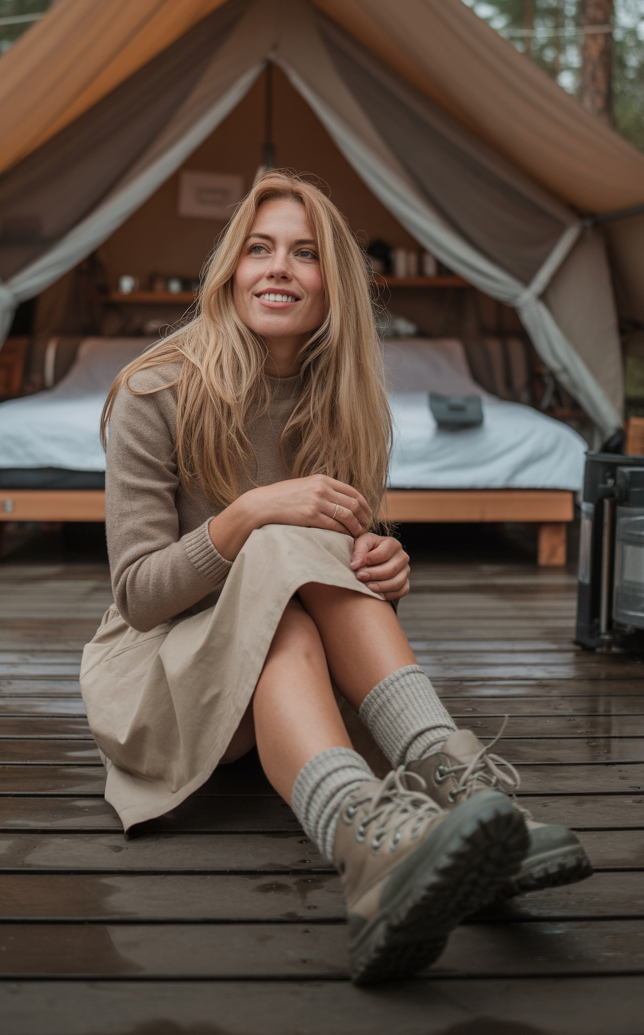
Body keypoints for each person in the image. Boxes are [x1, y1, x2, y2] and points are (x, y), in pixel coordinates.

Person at [80, 171, 590, 984]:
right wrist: (250, 512)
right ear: (231, 269)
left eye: (305, 254)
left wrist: (383, 562)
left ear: (333, 285)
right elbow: (138, 596)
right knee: (278, 543)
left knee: (288, 579)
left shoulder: (347, 400)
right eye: (259, 248)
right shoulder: (155, 389)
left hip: (277, 665)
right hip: (160, 678)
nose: (278, 268)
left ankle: (417, 819)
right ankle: (389, 812)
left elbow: (336, 563)